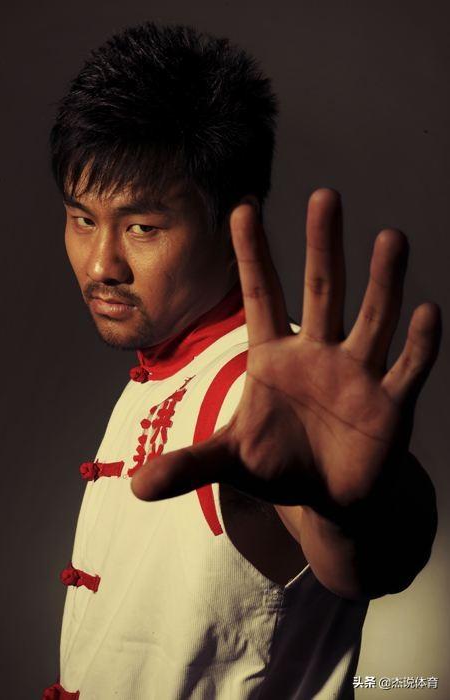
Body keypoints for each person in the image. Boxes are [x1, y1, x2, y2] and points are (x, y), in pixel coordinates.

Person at [43, 22, 441, 700]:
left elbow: (368, 559)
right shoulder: (169, 363)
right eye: (83, 219)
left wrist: (355, 510)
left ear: (236, 224)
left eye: (142, 227)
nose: (102, 263)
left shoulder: (253, 390)